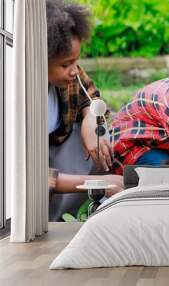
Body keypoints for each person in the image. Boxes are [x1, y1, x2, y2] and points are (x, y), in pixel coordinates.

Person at [46, 0, 123, 220]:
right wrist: (99, 183)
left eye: (76, 62)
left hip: (59, 150)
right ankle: (58, 217)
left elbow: (93, 97)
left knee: (101, 134)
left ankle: (87, 206)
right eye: (65, 64)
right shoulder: (19, 97)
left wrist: (90, 118)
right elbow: (30, 178)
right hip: (40, 169)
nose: (74, 71)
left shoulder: (70, 75)